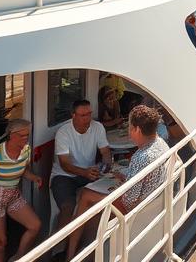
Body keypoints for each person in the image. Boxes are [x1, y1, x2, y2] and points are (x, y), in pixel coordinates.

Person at [64, 105, 170, 260]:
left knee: (85, 194)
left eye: (130, 127)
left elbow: (128, 201)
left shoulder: (141, 157)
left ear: (137, 130)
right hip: (152, 200)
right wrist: (124, 175)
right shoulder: (160, 144)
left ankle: (71, 255)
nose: (129, 132)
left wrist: (117, 188)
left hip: (136, 207)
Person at [0, 119, 42, 262]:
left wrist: (34, 177)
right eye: (22, 136)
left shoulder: (26, 150)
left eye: (27, 135)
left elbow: (21, 170)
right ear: (12, 135)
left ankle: (19, 257)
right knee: (0, 242)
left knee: (35, 225)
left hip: (13, 195)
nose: (26, 139)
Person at [51, 99, 113, 231]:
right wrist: (85, 172)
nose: (88, 118)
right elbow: (65, 164)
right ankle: (57, 247)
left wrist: (106, 165)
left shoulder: (98, 127)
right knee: (67, 206)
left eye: (89, 114)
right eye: (83, 115)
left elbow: (105, 151)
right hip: (64, 176)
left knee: (109, 194)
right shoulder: (63, 132)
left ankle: (87, 238)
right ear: (73, 115)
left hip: (88, 173)